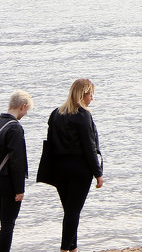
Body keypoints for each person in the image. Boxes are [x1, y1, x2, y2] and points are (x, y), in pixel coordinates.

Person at [47, 79, 103, 252]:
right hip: (79, 169)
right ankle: (65, 249)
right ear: (82, 94)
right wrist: (98, 173)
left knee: (70, 211)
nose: (92, 98)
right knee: (73, 212)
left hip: (59, 169)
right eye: (90, 94)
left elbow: (50, 143)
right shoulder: (83, 115)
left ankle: (73, 248)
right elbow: (89, 146)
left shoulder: (56, 113)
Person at [0, 91, 32, 252]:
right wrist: (20, 189)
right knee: (7, 223)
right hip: (6, 183)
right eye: (27, 110)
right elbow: (17, 161)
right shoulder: (15, 128)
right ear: (23, 106)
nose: (25, 114)